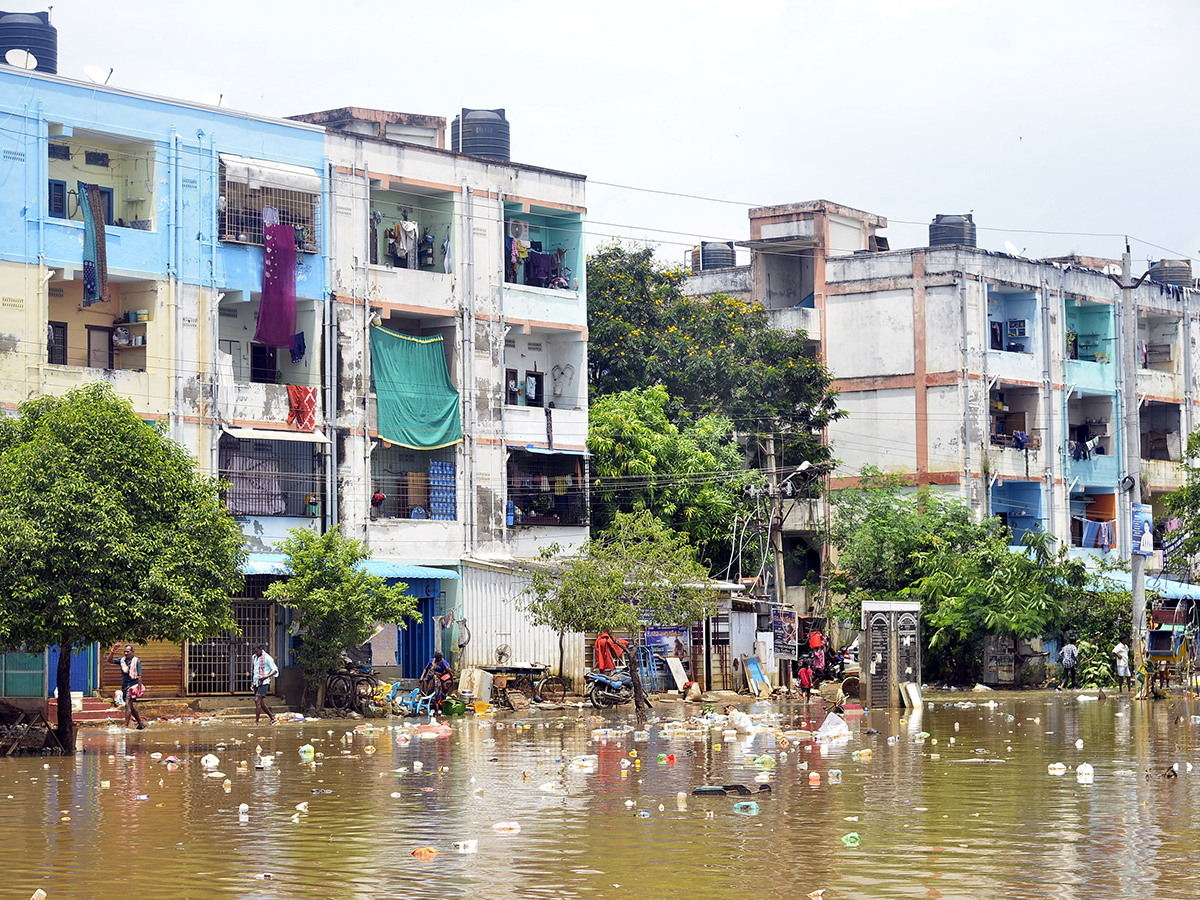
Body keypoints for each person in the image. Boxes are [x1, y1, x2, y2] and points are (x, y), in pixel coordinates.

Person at [114, 644, 145, 730]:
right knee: (130, 706)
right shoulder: (122, 660)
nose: (126, 653)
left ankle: (126, 725)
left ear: (132, 652)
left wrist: (139, 689)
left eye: (128, 652)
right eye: (125, 652)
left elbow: (139, 676)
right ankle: (140, 723)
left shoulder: (136, 661)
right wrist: (113, 650)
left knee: (127, 704)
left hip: (133, 686)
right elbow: (109, 660)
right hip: (124, 686)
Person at [251, 644, 279, 725]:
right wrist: (253, 683)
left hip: (264, 682)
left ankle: (256, 722)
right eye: (254, 652)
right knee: (261, 702)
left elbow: (275, 669)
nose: (256, 653)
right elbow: (255, 671)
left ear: (261, 649)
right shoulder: (254, 657)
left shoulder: (267, 657)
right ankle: (273, 717)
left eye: (257, 651)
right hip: (257, 682)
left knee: (257, 700)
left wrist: (266, 676)